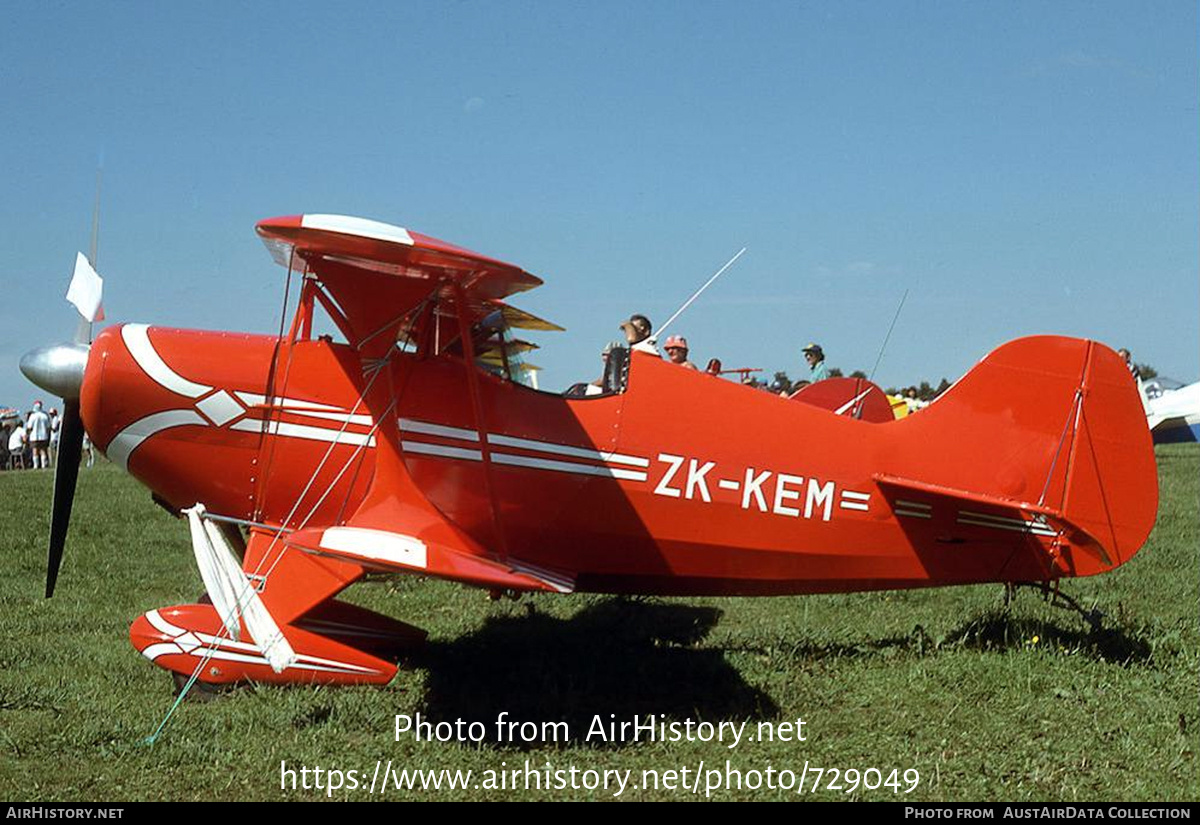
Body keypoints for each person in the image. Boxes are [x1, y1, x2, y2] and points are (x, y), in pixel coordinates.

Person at [27, 401, 51, 469]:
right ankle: (43, 465)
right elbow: (48, 427)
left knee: (35, 450)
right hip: (43, 436)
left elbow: (29, 427)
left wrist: (28, 433)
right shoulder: (44, 416)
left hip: (34, 436)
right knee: (43, 450)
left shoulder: (33, 416)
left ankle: (36, 465)